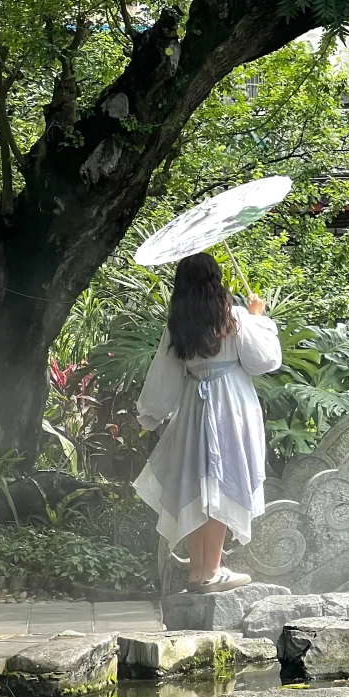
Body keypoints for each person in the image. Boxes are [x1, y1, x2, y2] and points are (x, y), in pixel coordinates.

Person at [134, 252, 282, 592]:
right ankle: (212, 570)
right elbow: (265, 361)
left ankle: (198, 572)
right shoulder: (235, 318)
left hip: (193, 409)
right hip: (230, 406)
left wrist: (152, 414)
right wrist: (259, 318)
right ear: (216, 281)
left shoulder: (178, 329)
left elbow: (163, 377)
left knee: (200, 486)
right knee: (221, 482)